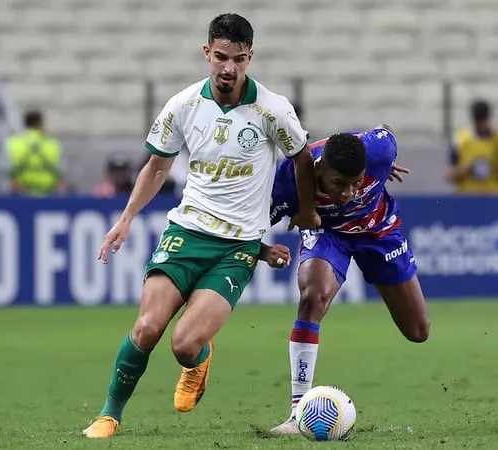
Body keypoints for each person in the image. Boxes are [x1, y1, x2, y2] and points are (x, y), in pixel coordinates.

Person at [81, 13, 320, 439]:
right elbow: (156, 167)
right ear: (207, 53)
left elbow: (302, 157)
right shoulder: (183, 105)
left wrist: (304, 211)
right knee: (147, 327)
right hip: (186, 234)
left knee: (183, 344)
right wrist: (126, 218)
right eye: (222, 57)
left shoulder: (273, 110)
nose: (229, 68)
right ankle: (109, 414)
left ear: (251, 58)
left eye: (239, 59)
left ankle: (197, 359)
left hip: (235, 251)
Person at [261, 125, 430, 435]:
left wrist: (382, 167)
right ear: (319, 168)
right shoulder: (285, 181)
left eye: (356, 183)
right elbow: (249, 226)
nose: (348, 193)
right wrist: (264, 251)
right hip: (328, 234)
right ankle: (297, 412)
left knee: (418, 331)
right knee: (313, 298)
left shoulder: (378, 151)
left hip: (380, 232)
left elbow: (385, 133)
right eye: (339, 183)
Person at [447, 99, 498, 195]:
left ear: (489, 118)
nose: (480, 125)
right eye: (477, 121)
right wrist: (468, 168)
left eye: (483, 120)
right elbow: (449, 176)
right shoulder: (460, 139)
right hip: (467, 197)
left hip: (495, 197)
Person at [5, 110, 66, 196]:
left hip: (21, 196)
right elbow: (61, 177)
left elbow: (8, 175)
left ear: (25, 124)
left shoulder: (13, 143)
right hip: (48, 195)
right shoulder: (53, 144)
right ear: (41, 124)